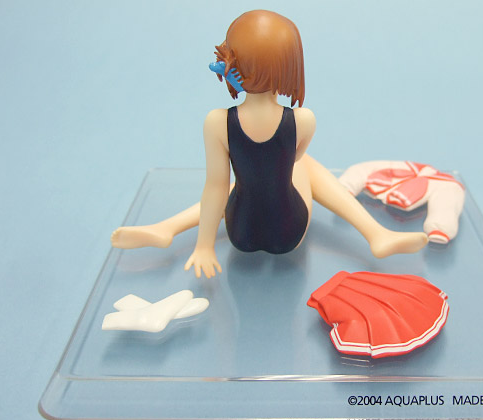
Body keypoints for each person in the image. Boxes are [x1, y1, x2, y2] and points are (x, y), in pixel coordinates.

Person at [111, 10, 428, 278]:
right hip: (286, 232)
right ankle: (375, 233)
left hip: (240, 232)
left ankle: (168, 228)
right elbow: (295, 158)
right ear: (288, 66)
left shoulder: (216, 121)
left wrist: (204, 246)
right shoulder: (303, 120)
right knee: (303, 165)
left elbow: (216, 189)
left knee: (240, 182)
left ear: (231, 62)